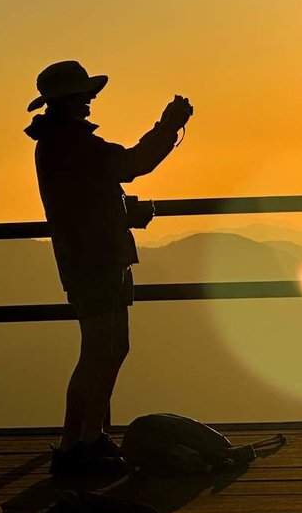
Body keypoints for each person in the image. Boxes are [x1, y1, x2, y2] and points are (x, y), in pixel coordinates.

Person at [23, 60, 193, 476]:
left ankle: (85, 439)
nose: (90, 100)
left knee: (109, 348)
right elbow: (130, 165)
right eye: (84, 95)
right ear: (68, 101)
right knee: (101, 349)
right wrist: (168, 126)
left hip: (96, 256)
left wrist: (119, 212)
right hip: (95, 260)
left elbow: (85, 196)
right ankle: (79, 443)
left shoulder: (60, 142)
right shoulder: (73, 143)